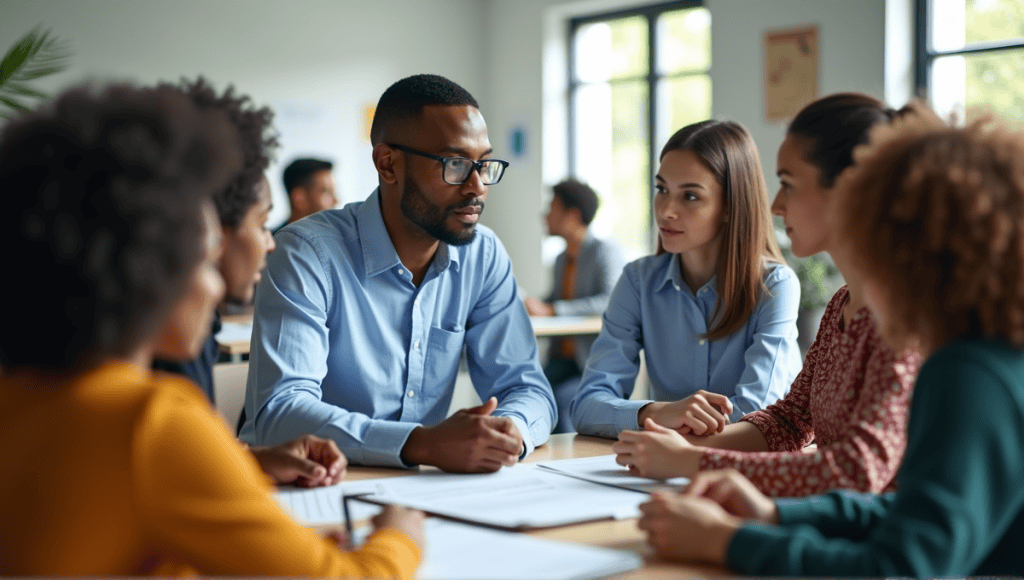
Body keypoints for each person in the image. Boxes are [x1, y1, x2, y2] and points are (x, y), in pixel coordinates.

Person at [0, 83, 423, 577]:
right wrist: (398, 537)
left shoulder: (21, 398)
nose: (211, 284)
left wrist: (246, 469)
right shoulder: (153, 421)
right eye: (204, 261)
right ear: (147, 275)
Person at [635, 104, 1024, 576]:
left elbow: (899, 568)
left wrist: (729, 540)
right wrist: (775, 514)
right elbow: (914, 510)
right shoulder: (980, 354)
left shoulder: (967, 373)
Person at [239, 74, 556, 472]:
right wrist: (420, 444)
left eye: (483, 164)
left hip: (417, 489)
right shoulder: (307, 252)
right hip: (310, 484)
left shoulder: (483, 253)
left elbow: (527, 388)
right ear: (388, 164)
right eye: (455, 164)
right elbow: (279, 414)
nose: (477, 186)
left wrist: (511, 432)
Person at [611, 94, 922, 496]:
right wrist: (682, 448)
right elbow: (790, 421)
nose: (775, 205)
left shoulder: (903, 317)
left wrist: (693, 461)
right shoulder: (842, 305)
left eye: (789, 186)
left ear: (849, 193)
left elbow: (857, 472)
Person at [151, 78, 338, 488]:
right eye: (261, 222)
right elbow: (189, 481)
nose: (270, 243)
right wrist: (399, 532)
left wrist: (249, 460)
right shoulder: (160, 371)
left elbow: (184, 464)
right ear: (209, 232)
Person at [570, 120, 801, 439]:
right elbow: (586, 407)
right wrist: (656, 411)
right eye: (662, 189)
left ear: (731, 206)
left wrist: (672, 429)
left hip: (747, 472)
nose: (666, 210)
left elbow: (759, 413)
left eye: (690, 196)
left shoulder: (774, 285)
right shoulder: (638, 281)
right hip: (663, 467)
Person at [524, 179, 625, 433]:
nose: (545, 216)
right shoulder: (561, 258)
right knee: (524, 392)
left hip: (589, 362)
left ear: (573, 215)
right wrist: (535, 304)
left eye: (552, 209)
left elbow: (609, 300)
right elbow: (556, 298)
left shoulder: (604, 251)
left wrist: (553, 310)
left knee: (559, 398)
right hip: (560, 358)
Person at [279, 157, 338, 230]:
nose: (336, 201)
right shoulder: (272, 240)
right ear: (299, 198)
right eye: (326, 192)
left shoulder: (338, 238)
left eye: (333, 192)